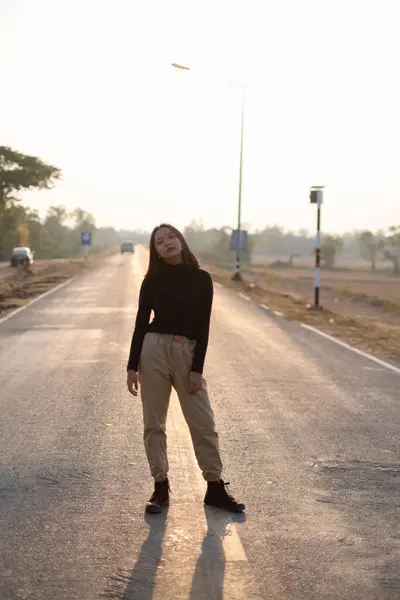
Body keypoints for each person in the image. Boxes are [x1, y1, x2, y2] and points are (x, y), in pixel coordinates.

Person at [127, 224, 245, 515]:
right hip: (152, 350)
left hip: (186, 351)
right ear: (155, 251)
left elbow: (203, 325)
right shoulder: (151, 280)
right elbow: (141, 322)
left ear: (181, 241)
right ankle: (160, 487)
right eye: (160, 242)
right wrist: (132, 366)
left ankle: (215, 487)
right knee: (154, 424)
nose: (167, 243)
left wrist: (197, 369)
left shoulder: (201, 279)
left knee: (203, 422)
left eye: (171, 237)